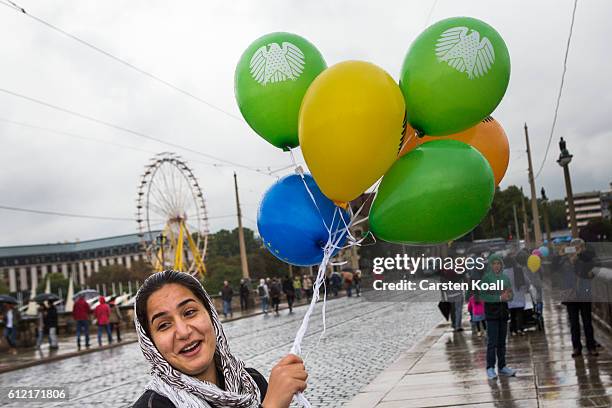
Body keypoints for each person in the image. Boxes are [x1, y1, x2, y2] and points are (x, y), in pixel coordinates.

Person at [132, 270, 307, 408]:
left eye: (189, 312)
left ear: (211, 316)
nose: (183, 332)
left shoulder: (251, 381)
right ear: (150, 343)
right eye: (163, 325)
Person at [480, 254, 516, 380]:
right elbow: (483, 296)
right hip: (491, 314)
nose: (496, 266)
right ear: (490, 265)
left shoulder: (505, 278)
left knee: (502, 342)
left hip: (503, 313)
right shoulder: (486, 278)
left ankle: (502, 366)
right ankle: (490, 367)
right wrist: (499, 297)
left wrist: (508, 295)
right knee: (492, 342)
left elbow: (511, 294)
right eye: (494, 263)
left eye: (498, 263)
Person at [561, 238, 598, 357]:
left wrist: (579, 258)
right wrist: (570, 260)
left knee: (587, 321)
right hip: (571, 296)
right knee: (574, 323)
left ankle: (591, 346)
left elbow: (591, 269)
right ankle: (577, 347)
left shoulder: (585, 259)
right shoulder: (565, 260)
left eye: (579, 247)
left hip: (584, 294)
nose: (576, 249)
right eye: (574, 247)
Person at [505, 250, 530, 336]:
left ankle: (513, 330)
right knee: (520, 313)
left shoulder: (503, 273)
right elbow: (527, 281)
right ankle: (520, 328)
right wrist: (526, 289)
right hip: (519, 295)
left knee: (512, 314)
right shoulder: (519, 270)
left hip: (509, 297)